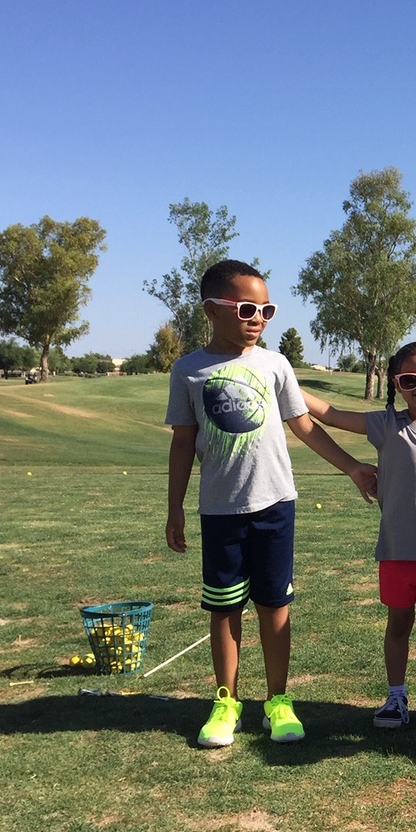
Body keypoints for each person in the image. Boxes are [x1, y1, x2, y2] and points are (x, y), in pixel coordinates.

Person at [165, 259, 377, 749]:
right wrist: (175, 508)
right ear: (211, 311)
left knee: (274, 606)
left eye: (267, 309)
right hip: (220, 511)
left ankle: (278, 701)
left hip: (276, 505)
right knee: (224, 608)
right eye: (246, 309)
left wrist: (352, 467)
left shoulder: (275, 364)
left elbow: (304, 426)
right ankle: (226, 703)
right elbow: (182, 442)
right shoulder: (188, 370)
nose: (258, 318)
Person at [302, 341, 416, 729]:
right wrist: (282, 378)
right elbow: (328, 414)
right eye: (410, 379)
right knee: (398, 625)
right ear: (395, 383)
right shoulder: (386, 424)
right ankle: (396, 697)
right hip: (396, 553)